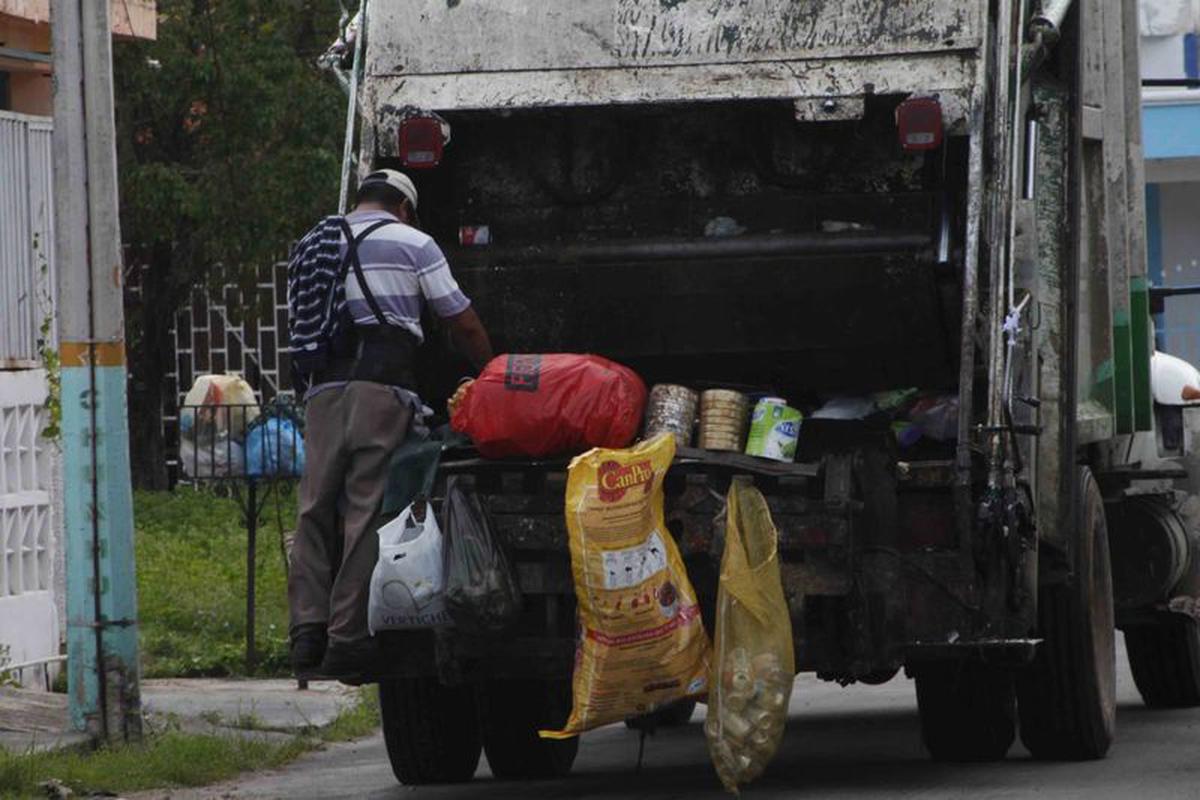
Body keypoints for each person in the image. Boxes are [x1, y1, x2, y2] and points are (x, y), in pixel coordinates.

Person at [286, 169, 493, 678]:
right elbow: (460, 320)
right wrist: (490, 372)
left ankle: (305, 630)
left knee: (314, 508)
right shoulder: (413, 241)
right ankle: (346, 639)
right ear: (403, 206)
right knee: (364, 513)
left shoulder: (314, 242)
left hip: (321, 391)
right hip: (381, 389)